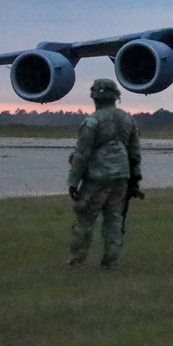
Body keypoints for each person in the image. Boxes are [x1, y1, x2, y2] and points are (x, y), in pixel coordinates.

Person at [67, 78, 142, 269]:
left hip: (97, 178)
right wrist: (135, 180)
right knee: (114, 219)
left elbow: (82, 154)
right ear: (116, 97)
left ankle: (76, 260)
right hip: (121, 177)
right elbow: (135, 153)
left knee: (84, 220)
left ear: (94, 97)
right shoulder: (128, 119)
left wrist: (73, 181)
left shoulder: (92, 121)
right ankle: (111, 260)